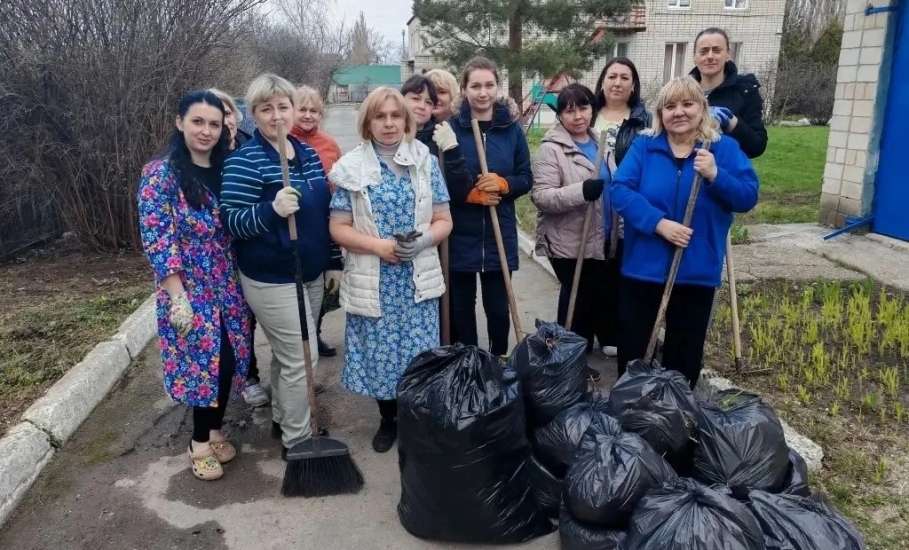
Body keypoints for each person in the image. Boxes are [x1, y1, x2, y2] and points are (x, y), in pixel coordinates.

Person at [610, 76, 759, 387]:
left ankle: (676, 410)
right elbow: (620, 191)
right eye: (670, 106)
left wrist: (716, 175)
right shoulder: (645, 146)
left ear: (702, 108)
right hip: (643, 269)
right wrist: (658, 223)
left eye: (687, 104)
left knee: (684, 356)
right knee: (634, 350)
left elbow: (747, 196)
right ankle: (632, 408)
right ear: (660, 113)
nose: (678, 112)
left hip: (696, 271)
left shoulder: (723, 149)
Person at [328, 87, 452, 453]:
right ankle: (388, 419)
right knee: (380, 354)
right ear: (367, 123)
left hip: (415, 280)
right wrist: (379, 246)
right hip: (375, 279)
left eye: (395, 116)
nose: (388, 123)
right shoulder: (351, 167)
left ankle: (415, 420)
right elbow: (338, 227)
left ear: (406, 120)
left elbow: (444, 219)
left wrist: (424, 240)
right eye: (379, 116)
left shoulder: (425, 161)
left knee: (418, 354)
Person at [137, 90, 251, 481]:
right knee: (206, 363)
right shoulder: (161, 174)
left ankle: (215, 428)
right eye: (198, 122)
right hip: (188, 284)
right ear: (179, 122)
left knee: (232, 358)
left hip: (226, 280)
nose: (206, 131)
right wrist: (177, 296)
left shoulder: (226, 168)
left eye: (214, 124)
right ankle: (199, 442)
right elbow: (158, 235)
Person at [220, 73, 331, 457]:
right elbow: (231, 222)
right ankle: (298, 441)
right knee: (302, 357)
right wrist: (271, 209)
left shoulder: (307, 154)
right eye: (267, 109)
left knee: (289, 357)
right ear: (254, 114)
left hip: (310, 272)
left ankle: (285, 417)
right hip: (273, 277)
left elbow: (323, 212)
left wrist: (331, 262)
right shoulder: (244, 161)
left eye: (283, 107)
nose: (277, 116)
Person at [447, 56, 533, 357]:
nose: (483, 93)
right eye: (475, 86)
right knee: (462, 309)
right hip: (460, 232)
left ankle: (498, 359)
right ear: (464, 89)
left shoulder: (511, 129)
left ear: (498, 87)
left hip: (499, 232)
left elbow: (526, 177)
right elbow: (440, 179)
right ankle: (469, 362)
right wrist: (468, 194)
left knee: (498, 308)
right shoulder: (451, 129)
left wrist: (504, 184)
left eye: (489, 85)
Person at [531, 84, 609, 380]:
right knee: (576, 301)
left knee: (587, 300)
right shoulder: (551, 149)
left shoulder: (601, 142)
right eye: (569, 110)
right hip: (566, 239)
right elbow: (542, 196)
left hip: (597, 236)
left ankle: (573, 358)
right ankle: (568, 363)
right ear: (560, 115)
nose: (578, 116)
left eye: (583, 107)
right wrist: (581, 191)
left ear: (592, 109)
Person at [210, 87, 268, 407]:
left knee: (251, 315)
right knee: (232, 320)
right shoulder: (204, 156)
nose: (225, 120)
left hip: (251, 245)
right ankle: (247, 377)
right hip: (217, 256)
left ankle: (247, 371)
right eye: (217, 115)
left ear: (237, 115)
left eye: (228, 112)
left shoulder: (250, 147)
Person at [591, 57, 651, 359]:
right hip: (593, 204)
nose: (617, 82)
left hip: (628, 204)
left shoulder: (644, 121)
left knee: (622, 268)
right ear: (602, 81)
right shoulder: (588, 113)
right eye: (612, 76)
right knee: (596, 270)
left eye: (624, 77)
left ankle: (618, 332)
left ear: (633, 85)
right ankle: (595, 330)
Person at [290, 85, 344, 358]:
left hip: (324, 222)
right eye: (303, 109)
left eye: (314, 110)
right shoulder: (284, 141)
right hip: (293, 222)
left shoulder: (329, 144)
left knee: (325, 286)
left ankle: (315, 333)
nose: (308, 115)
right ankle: (296, 340)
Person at [690, 27, 767, 159]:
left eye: (716, 50)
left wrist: (732, 123)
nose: (710, 56)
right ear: (695, 57)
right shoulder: (685, 91)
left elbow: (757, 146)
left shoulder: (745, 90)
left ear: (727, 54)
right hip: (686, 167)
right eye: (703, 51)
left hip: (727, 168)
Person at [401, 75, 472, 205]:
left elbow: (461, 192)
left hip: (435, 215)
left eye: (428, 102)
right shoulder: (387, 137)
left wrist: (452, 151)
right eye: (416, 99)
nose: (422, 106)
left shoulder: (439, 138)